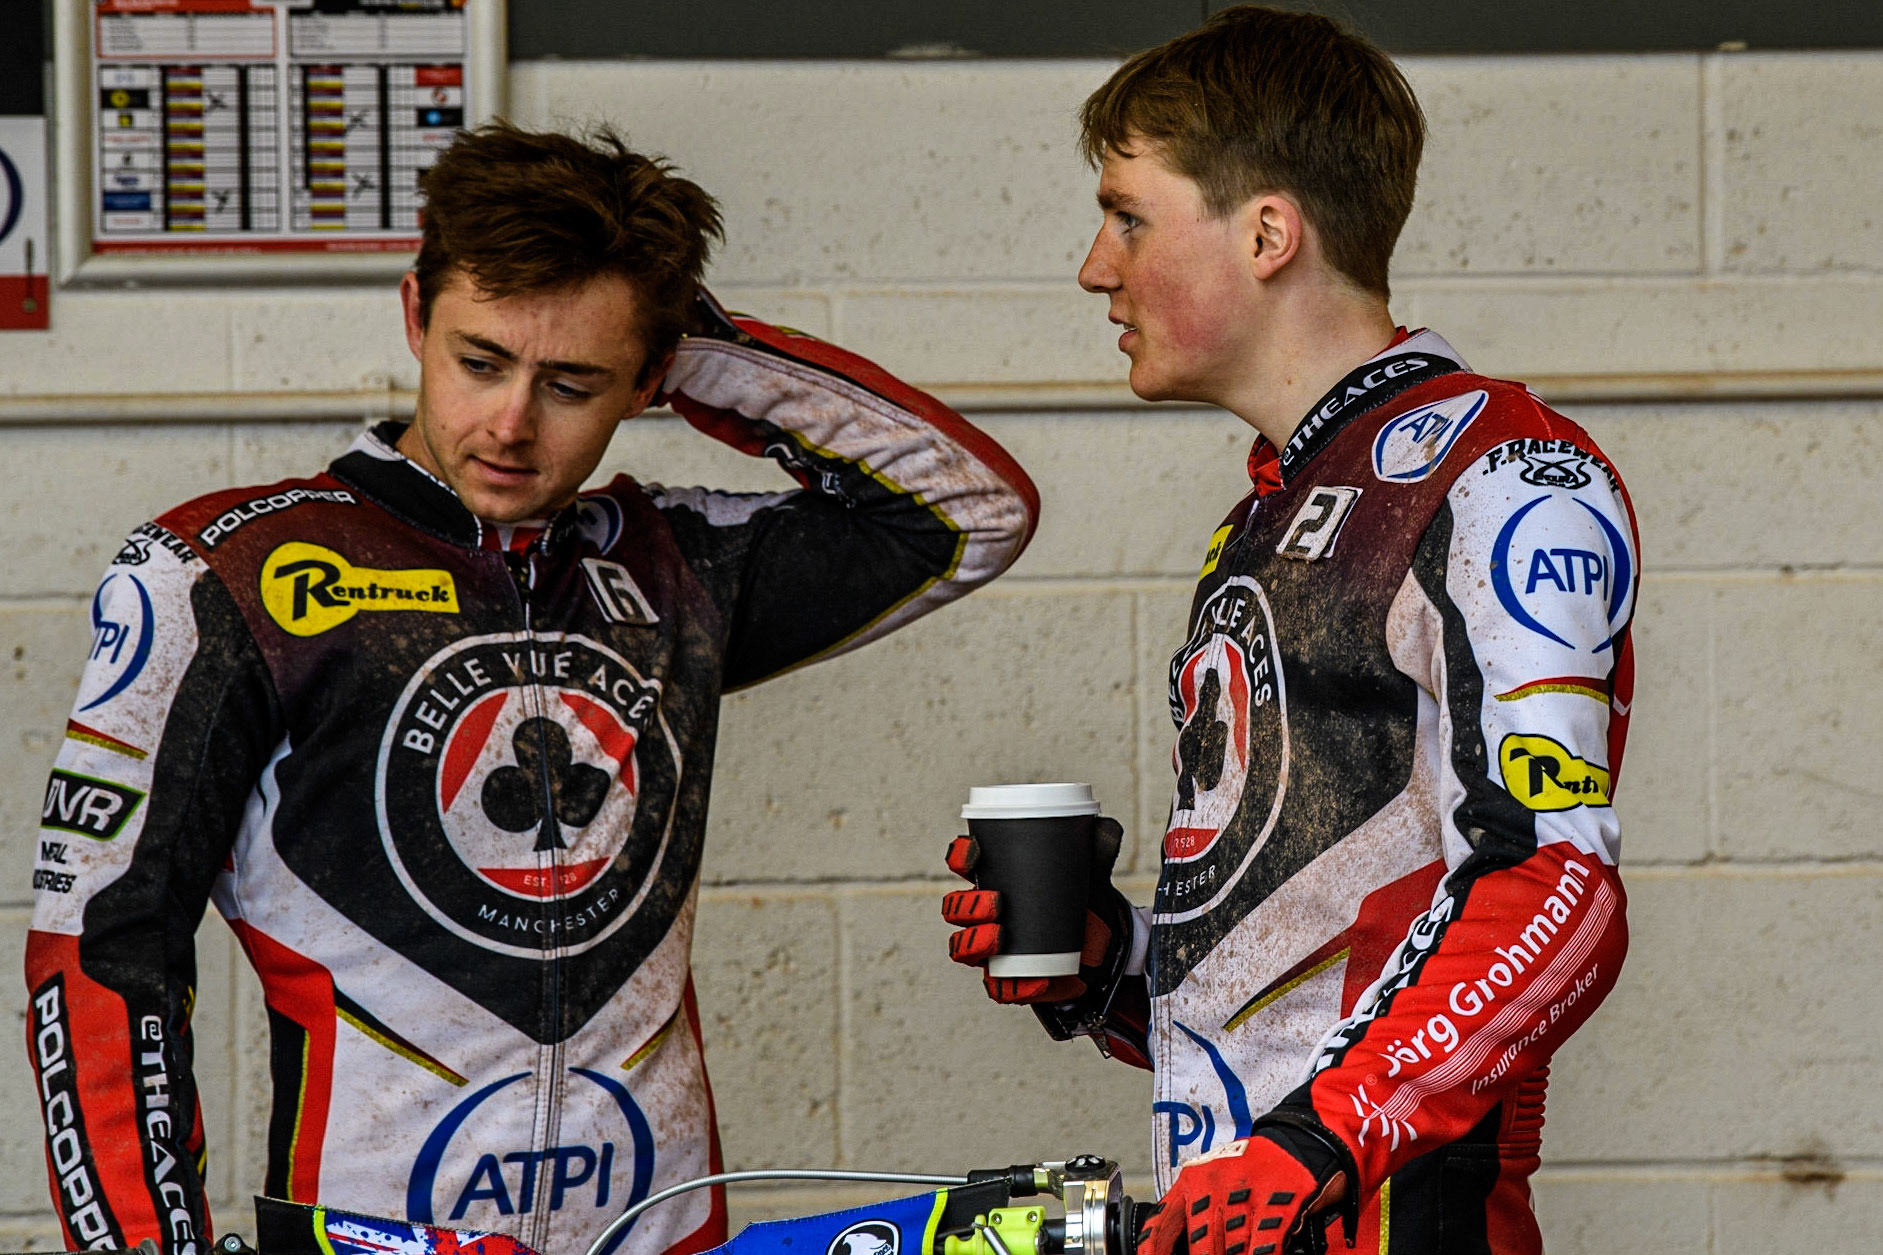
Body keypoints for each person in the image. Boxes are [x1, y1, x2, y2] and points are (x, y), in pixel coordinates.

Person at [29, 121, 1037, 1255]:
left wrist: (703, 348)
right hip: (374, 1231)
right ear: (416, 315)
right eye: (480, 361)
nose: (511, 424)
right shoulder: (224, 572)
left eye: (571, 382)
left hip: (655, 1228)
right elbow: (101, 955)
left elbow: (973, 511)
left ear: (647, 380)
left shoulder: (673, 562)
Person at [942, 9, 1636, 1254]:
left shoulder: (1502, 473)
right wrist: (1110, 964)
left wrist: (1323, 1138)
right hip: (1240, 1217)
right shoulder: (1265, 513)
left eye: (1127, 218)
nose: (1095, 268)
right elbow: (1301, 982)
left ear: (1266, 234)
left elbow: (1552, 882)